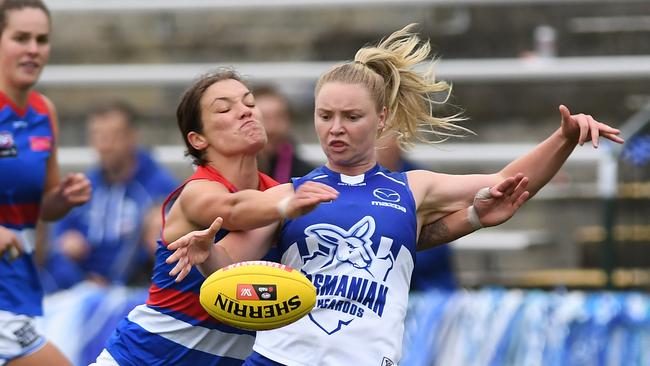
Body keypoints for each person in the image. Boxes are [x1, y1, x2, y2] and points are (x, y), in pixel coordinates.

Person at [166, 24, 623, 366]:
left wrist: (563, 140)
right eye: (325, 115)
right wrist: (208, 255)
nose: (336, 128)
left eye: (351, 116)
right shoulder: (290, 195)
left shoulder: (412, 188)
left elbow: (506, 182)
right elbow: (232, 278)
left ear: (382, 119)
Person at [0, 1, 92, 365]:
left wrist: (65, 197)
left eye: (42, 39)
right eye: (20, 38)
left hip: (18, 282)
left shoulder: (43, 111)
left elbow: (45, 208)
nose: (33, 49)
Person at [42, 101, 178, 290]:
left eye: (114, 136)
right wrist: (65, 244)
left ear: (133, 137)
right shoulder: (84, 186)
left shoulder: (160, 186)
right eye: (97, 136)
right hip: (80, 289)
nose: (105, 145)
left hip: (137, 289)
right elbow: (57, 241)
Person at [376, 132, 457, 291]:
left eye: (384, 135)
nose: (378, 147)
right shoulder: (352, 185)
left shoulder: (422, 181)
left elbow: (436, 250)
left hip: (426, 288)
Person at [254, 85, 315, 183]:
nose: (272, 127)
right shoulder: (233, 175)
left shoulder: (306, 177)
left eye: (279, 117)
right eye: (263, 118)